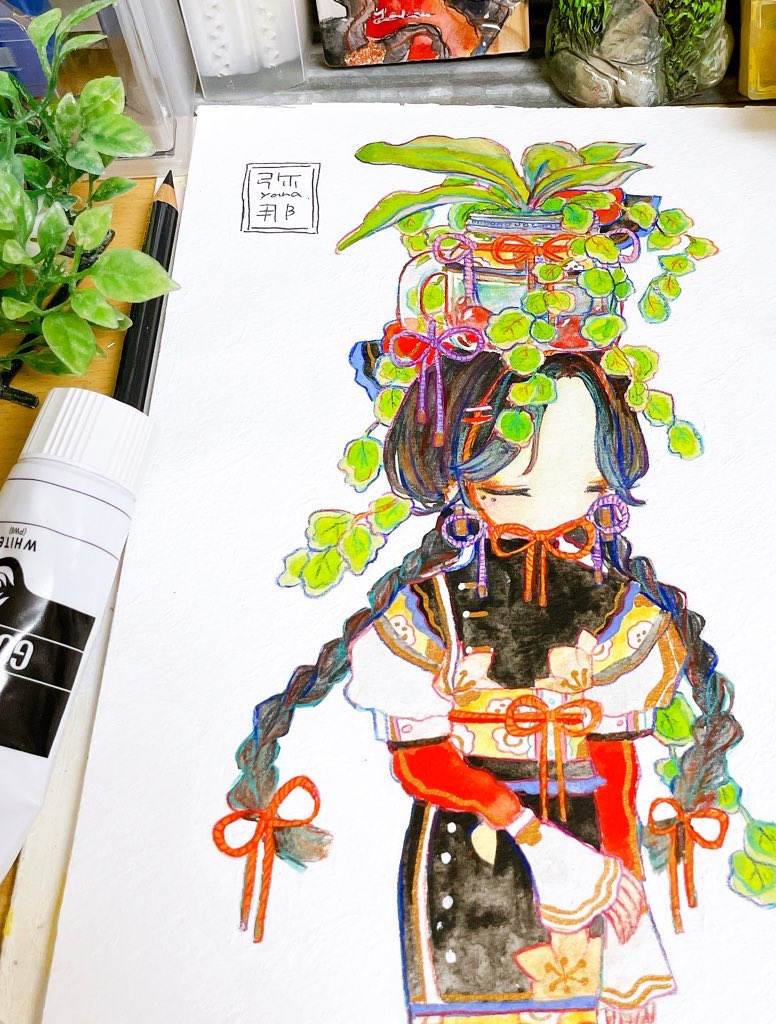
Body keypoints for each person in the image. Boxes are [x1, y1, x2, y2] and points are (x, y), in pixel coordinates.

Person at [221, 348, 742, 1024]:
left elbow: (615, 764)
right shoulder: (430, 605)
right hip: (470, 840)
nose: (555, 496)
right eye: (516, 483)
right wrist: (532, 834)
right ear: (459, 473)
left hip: (589, 835)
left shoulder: (617, 604)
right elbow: (421, 761)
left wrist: (621, 883)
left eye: (586, 478)